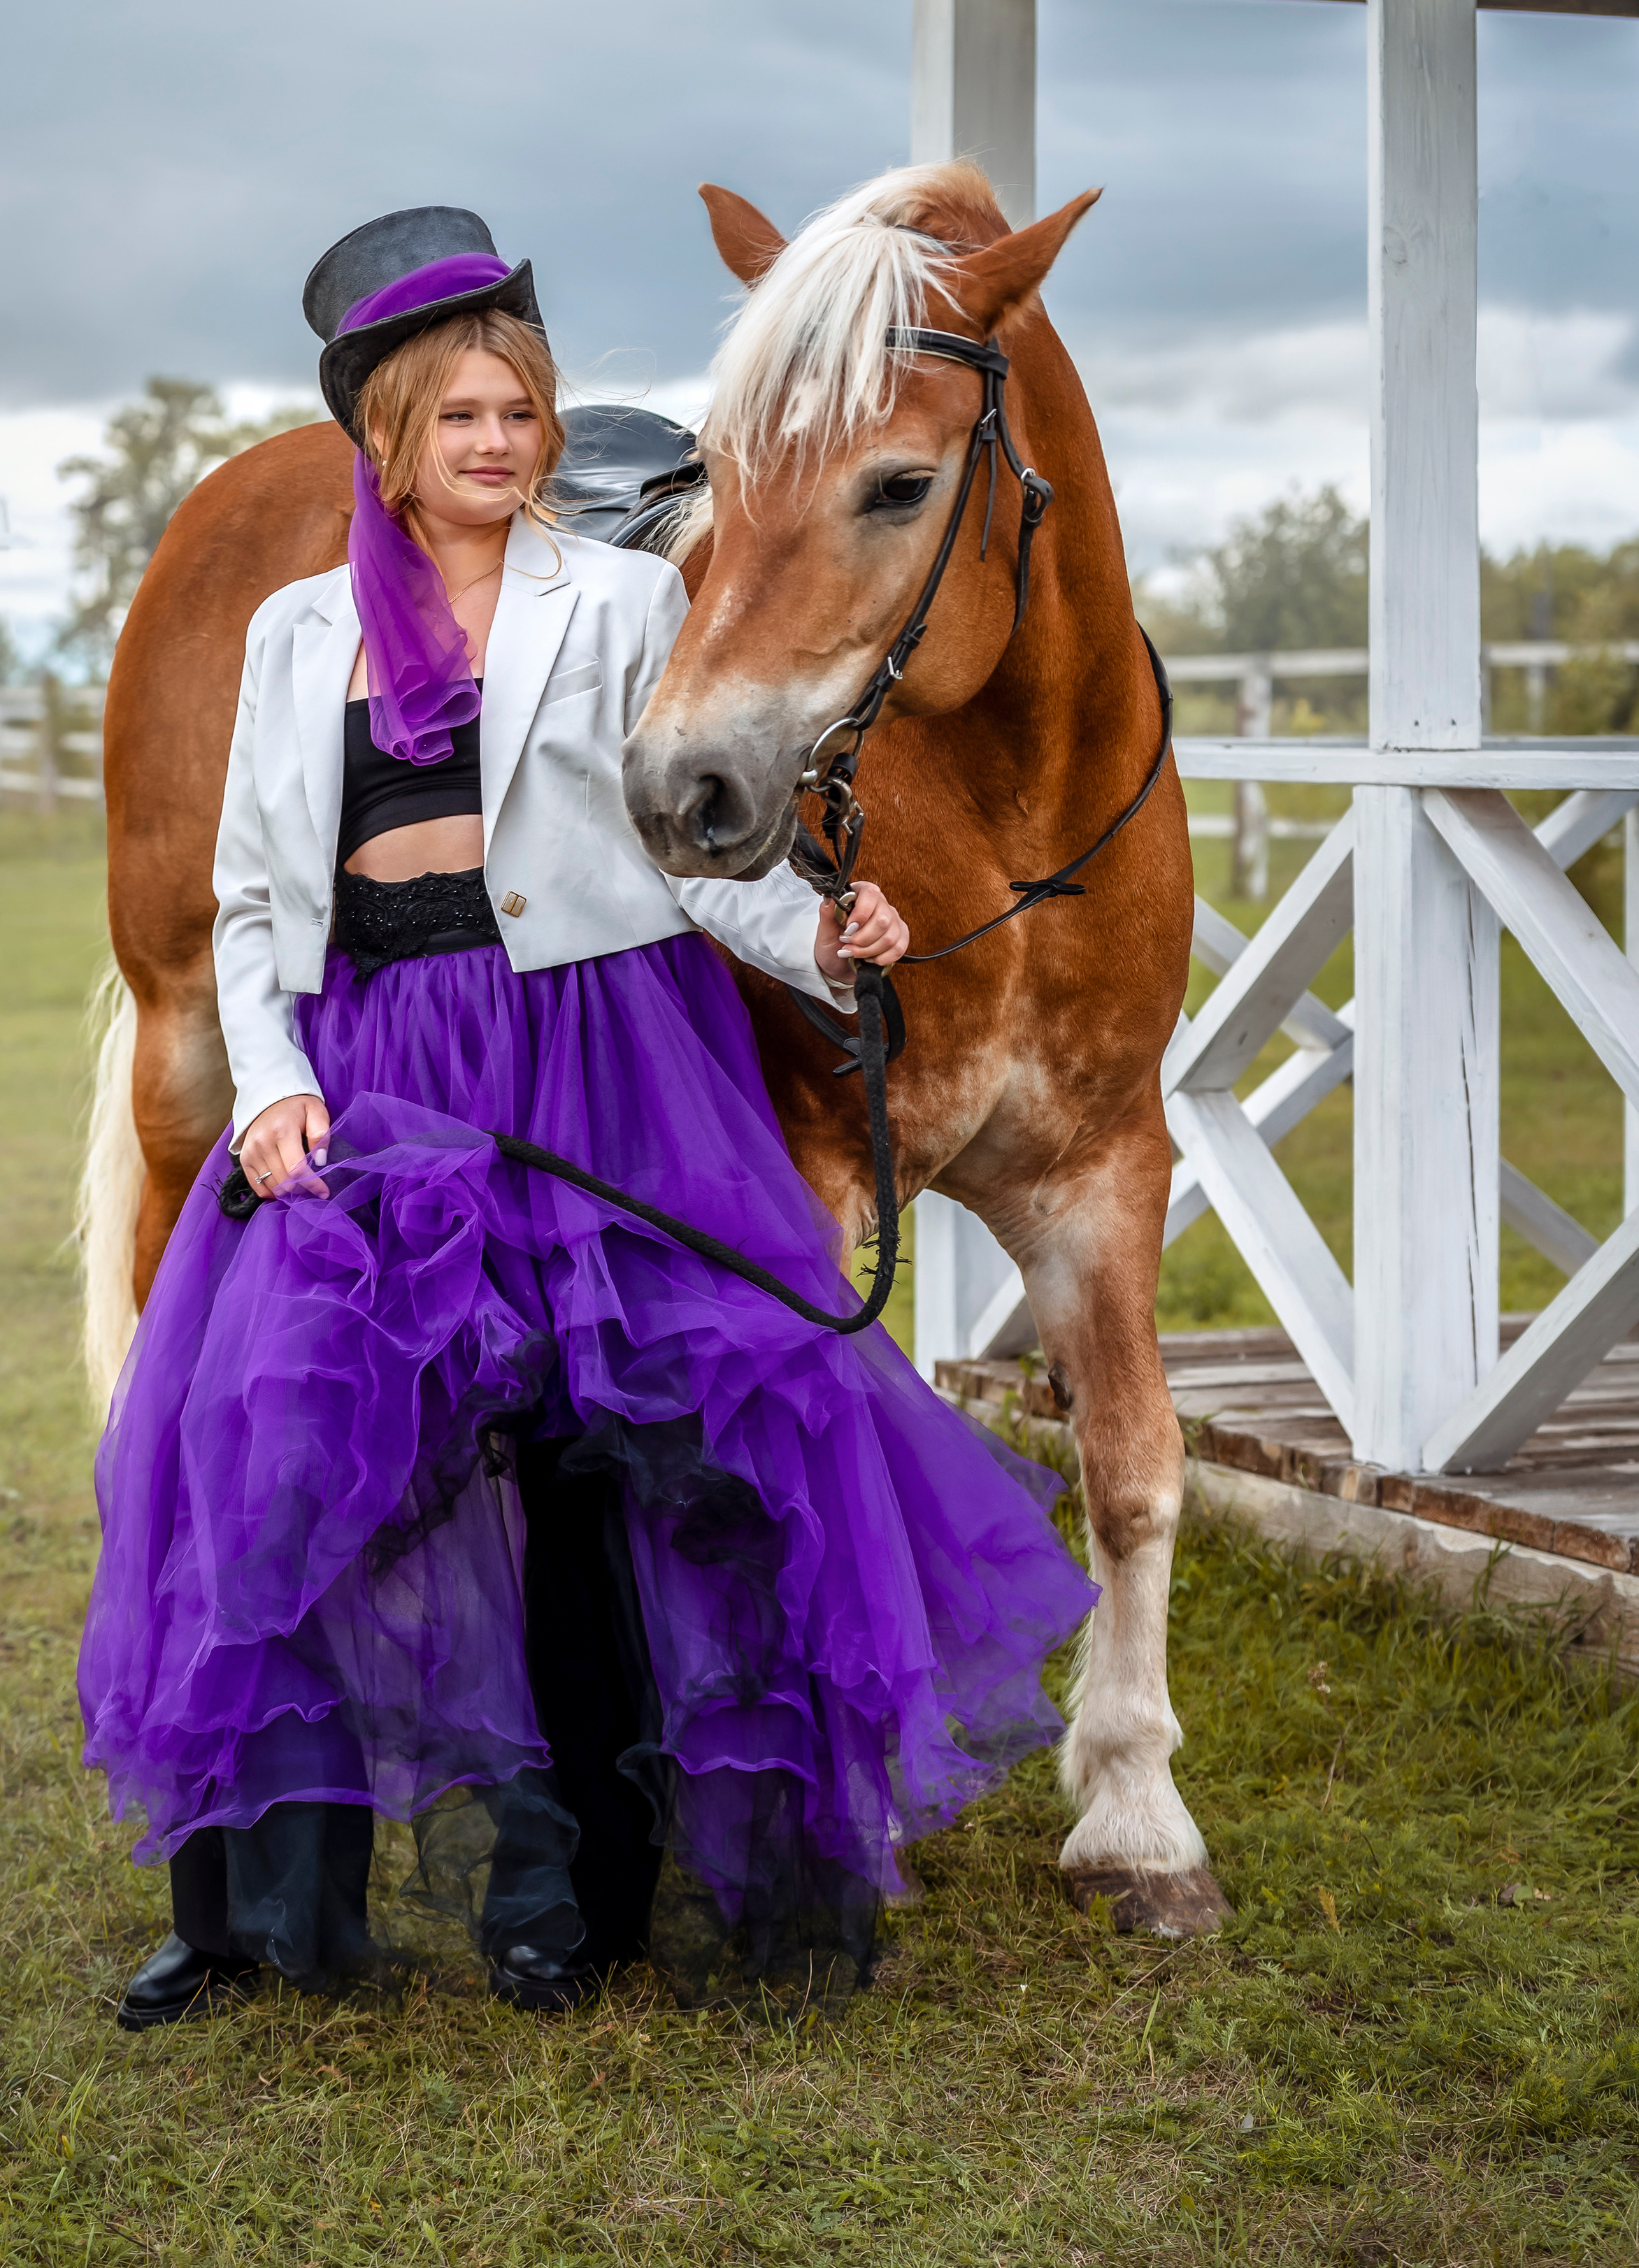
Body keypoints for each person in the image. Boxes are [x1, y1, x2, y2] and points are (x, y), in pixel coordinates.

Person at [78, 206, 1096, 2030]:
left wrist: (820, 936)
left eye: (520, 413)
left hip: (590, 1048)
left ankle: (580, 1898)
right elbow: (247, 898)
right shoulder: (302, 633)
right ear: (388, 435)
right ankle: (244, 1909)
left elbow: (693, 859)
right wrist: (280, 1083)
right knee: (275, 1451)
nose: (498, 444)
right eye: (460, 416)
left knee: (585, 1471)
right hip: (376, 1059)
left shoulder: (618, 601)